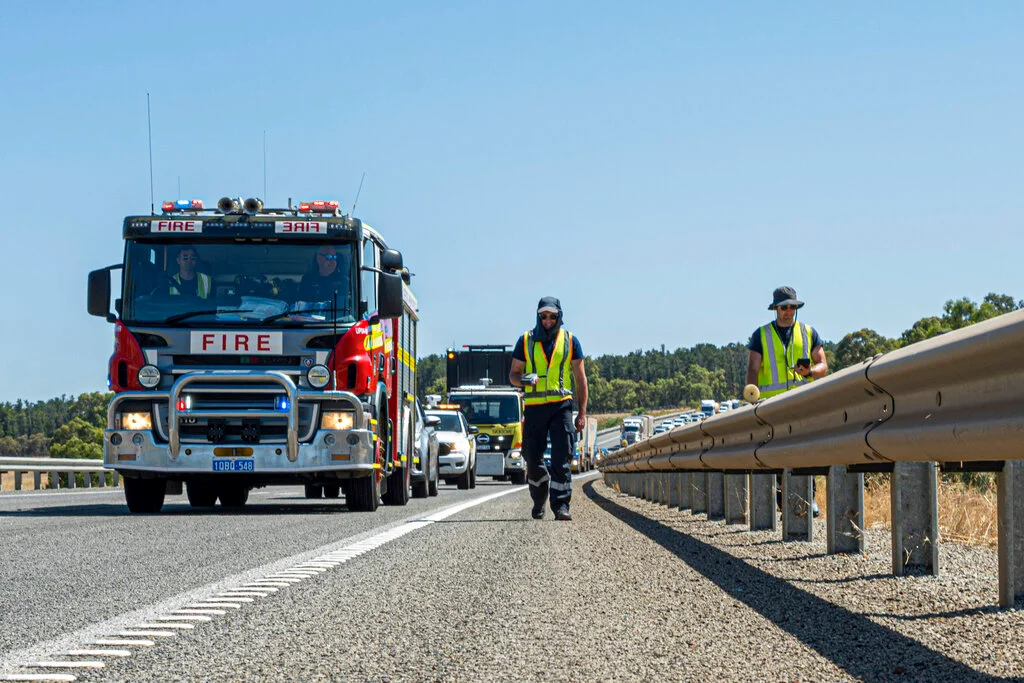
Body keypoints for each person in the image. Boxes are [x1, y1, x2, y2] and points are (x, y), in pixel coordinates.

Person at [746, 285, 828, 516]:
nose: (788, 311)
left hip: (802, 403)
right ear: (775, 309)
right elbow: (753, 368)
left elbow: (823, 365)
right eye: (784, 307)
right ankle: (784, 500)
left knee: (805, 451)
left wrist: (810, 371)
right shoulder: (761, 335)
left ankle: (808, 498)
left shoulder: (809, 332)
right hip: (772, 406)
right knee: (779, 453)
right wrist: (752, 394)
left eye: (792, 307)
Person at [509, 297, 588, 521]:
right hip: (534, 407)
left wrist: (581, 413)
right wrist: (524, 380)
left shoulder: (571, 341)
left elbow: (581, 381)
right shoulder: (525, 341)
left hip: (561, 405)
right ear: (537, 316)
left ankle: (561, 505)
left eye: (552, 316)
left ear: (559, 316)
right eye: (543, 316)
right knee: (532, 457)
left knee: (562, 454)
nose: (548, 320)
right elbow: (513, 375)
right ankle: (539, 496)